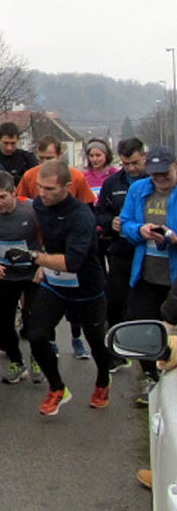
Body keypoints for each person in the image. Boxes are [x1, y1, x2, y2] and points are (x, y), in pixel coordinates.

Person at [21, 160, 111, 415]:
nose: (42, 193)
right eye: (40, 187)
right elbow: (43, 236)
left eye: (50, 189)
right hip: (55, 284)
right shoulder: (40, 205)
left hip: (86, 287)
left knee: (95, 340)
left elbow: (72, 263)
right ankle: (57, 387)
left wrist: (36, 258)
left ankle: (103, 381)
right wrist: (43, 260)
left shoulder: (82, 216)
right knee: (37, 335)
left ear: (68, 187)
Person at [120, 146, 177, 405]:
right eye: (155, 174)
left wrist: (173, 237)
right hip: (146, 272)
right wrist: (140, 230)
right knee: (143, 327)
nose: (160, 178)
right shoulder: (138, 190)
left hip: (174, 276)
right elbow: (125, 223)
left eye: (165, 173)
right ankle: (151, 376)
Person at [0, 171, 43, 384]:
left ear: (14, 192)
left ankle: (39, 357)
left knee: (34, 320)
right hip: (5, 274)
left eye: (2, 197)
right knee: (1, 322)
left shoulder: (31, 210)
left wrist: (44, 264)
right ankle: (16, 361)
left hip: (32, 273)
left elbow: (50, 238)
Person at [95, 137, 146, 371]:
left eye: (135, 162)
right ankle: (116, 352)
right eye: (126, 164)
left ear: (144, 156)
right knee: (114, 301)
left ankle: (147, 356)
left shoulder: (155, 180)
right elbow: (99, 213)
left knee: (142, 305)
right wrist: (110, 222)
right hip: (120, 250)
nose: (131, 168)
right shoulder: (112, 183)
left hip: (149, 253)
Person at [16, 135, 97, 205]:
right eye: (41, 158)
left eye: (49, 158)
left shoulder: (76, 176)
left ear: (59, 155)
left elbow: (88, 204)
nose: (45, 162)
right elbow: (20, 203)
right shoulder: (29, 176)